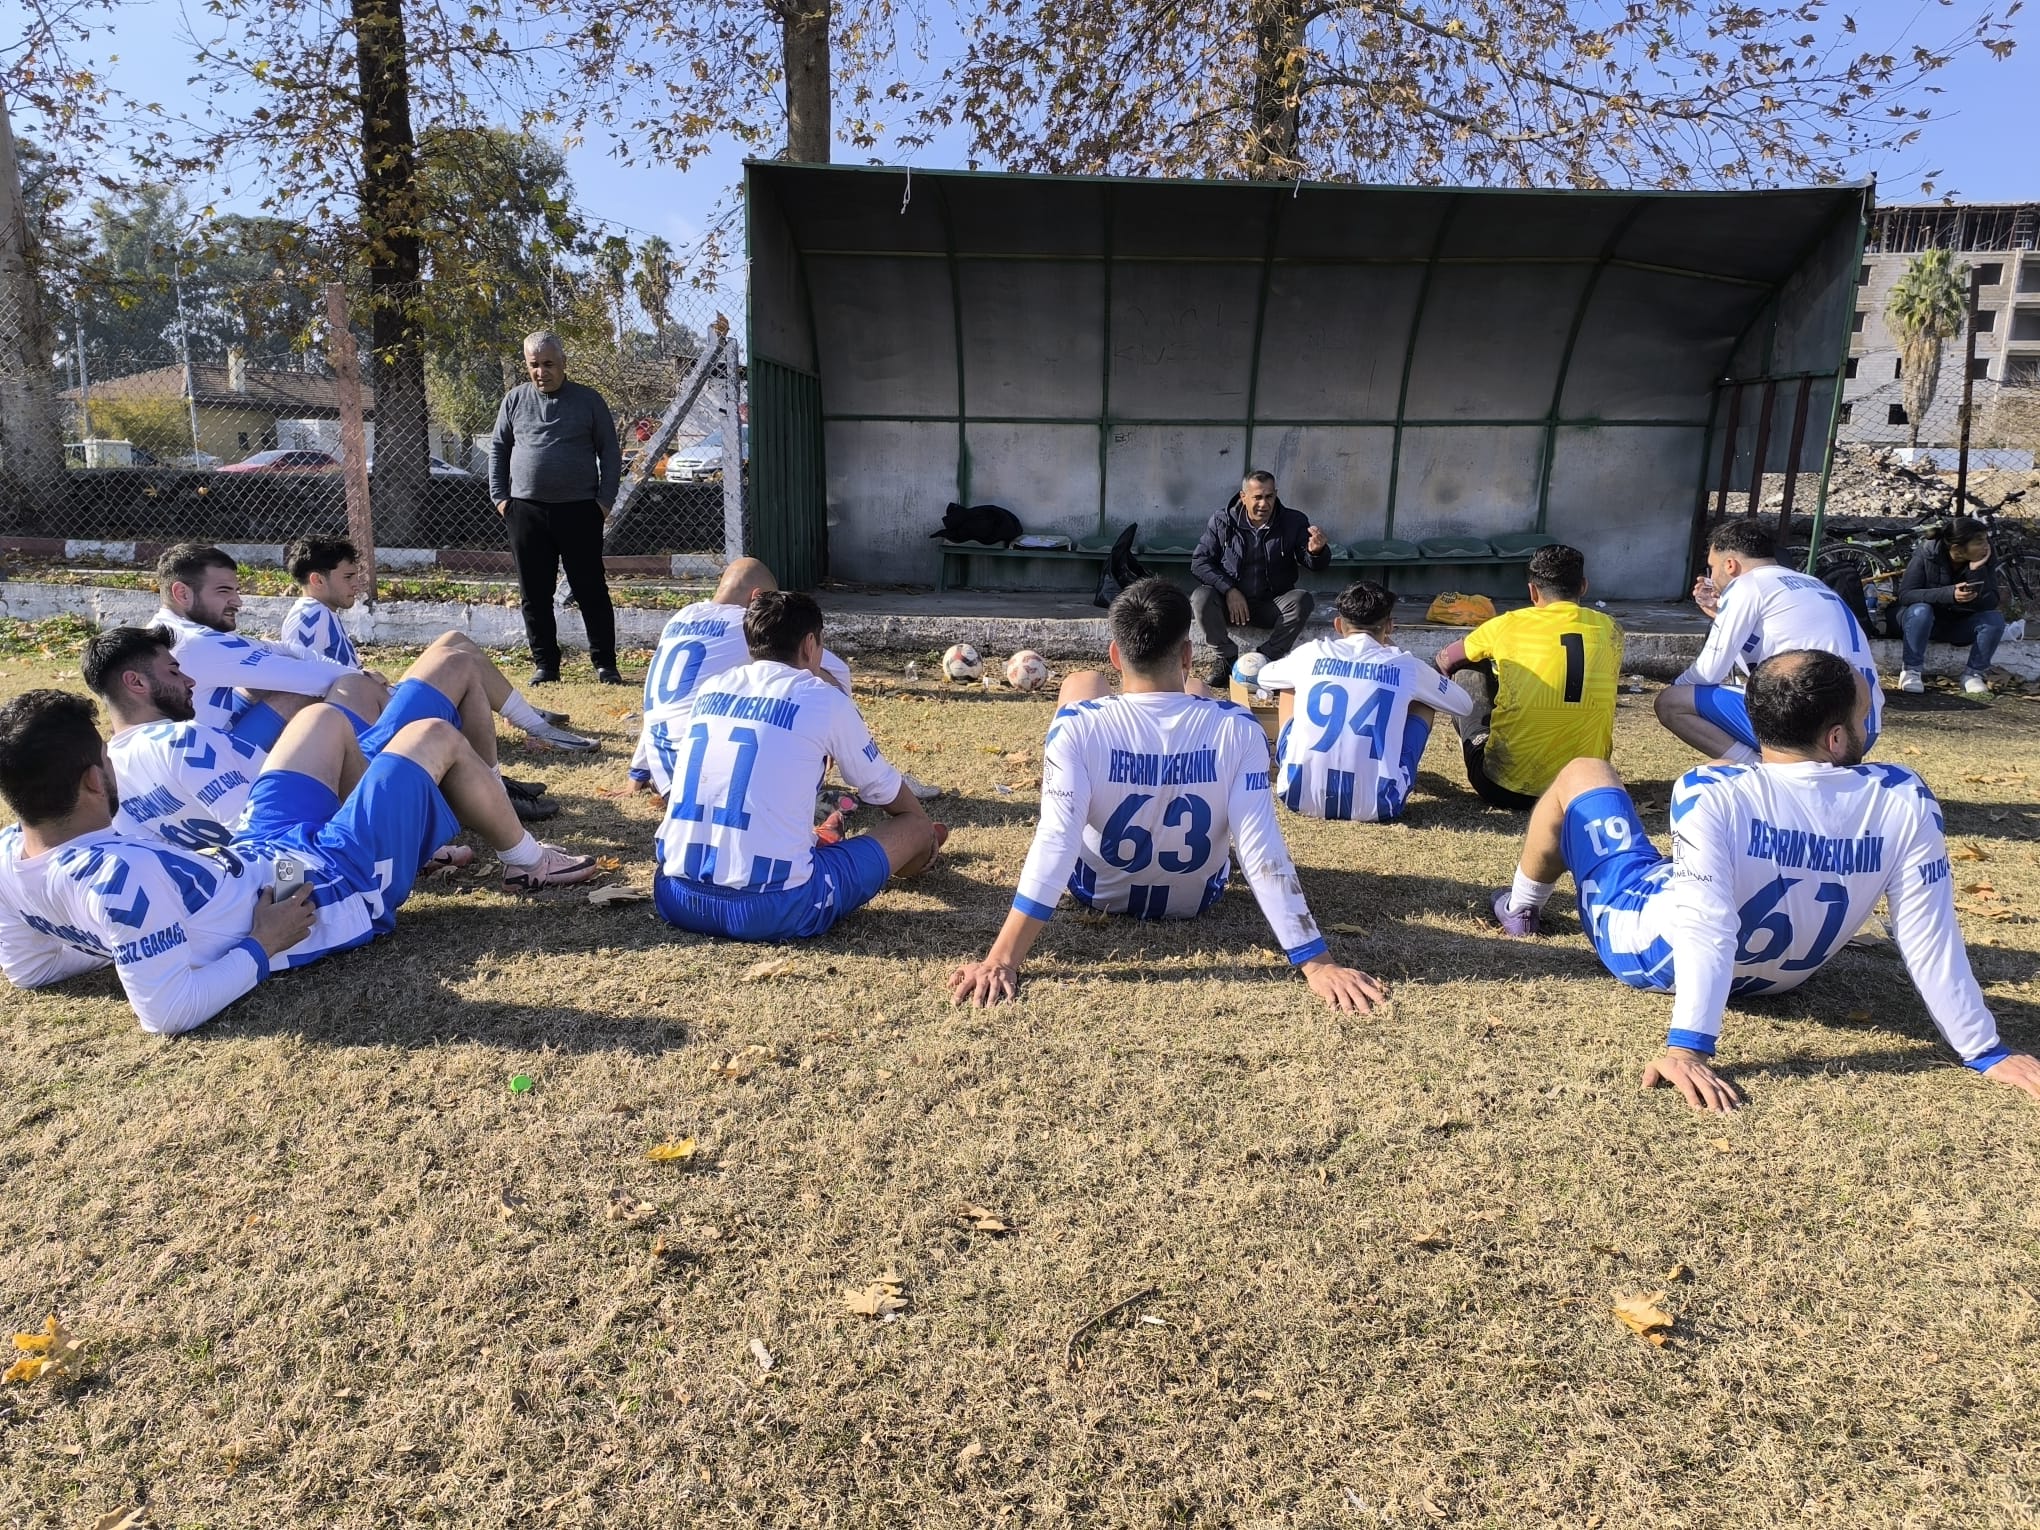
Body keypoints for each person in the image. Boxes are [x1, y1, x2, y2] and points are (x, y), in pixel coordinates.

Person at [1489, 650, 2040, 1113]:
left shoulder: (1711, 789)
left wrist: (1688, 1049)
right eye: (1864, 716)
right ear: (1835, 738)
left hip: (1656, 953)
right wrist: (1983, 1048)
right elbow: (1928, 934)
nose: (1870, 726)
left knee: (1584, 771)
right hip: (1782, 978)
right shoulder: (1904, 795)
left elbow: (1705, 924)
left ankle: (1520, 906)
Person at [0, 689, 597, 1035]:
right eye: (107, 760)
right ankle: (527, 860)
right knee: (432, 734)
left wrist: (135, 941)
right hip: (319, 886)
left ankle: (404, 842)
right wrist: (260, 945)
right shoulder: (118, 879)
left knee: (321, 719)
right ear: (93, 781)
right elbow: (167, 1011)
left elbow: (30, 970)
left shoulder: (9, 857)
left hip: (264, 853)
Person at [946, 578, 1387, 1012]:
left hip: (1097, 891)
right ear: (1188, 654)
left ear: (1116, 654)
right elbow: (1260, 850)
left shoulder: (1076, 727)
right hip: (1196, 899)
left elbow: (1056, 840)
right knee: (1196, 694)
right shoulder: (1240, 728)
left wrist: (1001, 959)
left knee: (1082, 682)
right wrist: (1316, 963)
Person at [82, 623, 565, 848]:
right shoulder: (184, 742)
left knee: (377, 681)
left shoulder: (109, 776)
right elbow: (267, 835)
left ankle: (491, 790)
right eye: (174, 671)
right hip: (342, 801)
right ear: (136, 683)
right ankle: (498, 801)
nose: (189, 681)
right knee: (455, 662)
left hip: (322, 787)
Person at [652, 591, 946, 941]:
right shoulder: (823, 698)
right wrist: (922, 832)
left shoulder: (711, 688)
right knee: (915, 827)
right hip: (772, 909)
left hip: (675, 896)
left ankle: (818, 841)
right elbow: (882, 788)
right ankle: (913, 850)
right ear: (810, 644)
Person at [1655, 517, 1883, 761]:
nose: (1712, 576)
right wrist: (1723, 614)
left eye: (1712, 568)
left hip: (1813, 730)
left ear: (1730, 565)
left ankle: (1760, 769)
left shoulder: (1745, 585)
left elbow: (1708, 672)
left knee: (1671, 702)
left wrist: (1676, 685)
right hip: (1863, 730)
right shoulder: (1812, 583)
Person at [1254, 580, 1474, 821]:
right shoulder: (1406, 666)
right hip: (1379, 804)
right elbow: (1464, 705)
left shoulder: (1310, 653)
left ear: (1338, 624)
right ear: (1389, 626)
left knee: (1288, 684)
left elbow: (1263, 677)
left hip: (1296, 794)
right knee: (1426, 699)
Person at [1434, 544, 1620, 810]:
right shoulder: (1611, 629)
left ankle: (1479, 739)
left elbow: (1445, 660)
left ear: (1532, 591)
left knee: (1468, 668)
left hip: (1504, 789)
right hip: (1585, 789)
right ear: (1583, 587)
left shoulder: (1508, 624)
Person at [150, 542, 387, 749]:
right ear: (182, 593)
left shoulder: (169, 629)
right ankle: (366, 755)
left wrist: (354, 674)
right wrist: (363, 680)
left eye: (236, 591)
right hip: (209, 758)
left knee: (279, 681)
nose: (238, 602)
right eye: (224, 591)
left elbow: (284, 649)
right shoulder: (197, 641)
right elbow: (307, 677)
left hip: (203, 733)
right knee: (316, 693)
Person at [488, 329, 625, 686]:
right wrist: (501, 498)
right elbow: (499, 449)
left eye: (548, 364)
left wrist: (604, 502)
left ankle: (605, 665)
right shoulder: (514, 400)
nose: (541, 372)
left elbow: (610, 452)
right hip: (526, 511)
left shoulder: (588, 400)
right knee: (534, 593)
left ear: (563, 362)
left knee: (590, 590)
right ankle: (546, 665)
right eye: (534, 364)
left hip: (580, 511)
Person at [1189, 470, 1333, 689]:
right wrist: (1229, 590)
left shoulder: (1293, 521)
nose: (1264, 504)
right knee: (1201, 597)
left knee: (1302, 600)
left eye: (1269, 496)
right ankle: (1226, 659)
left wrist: (1317, 552)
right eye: (1257, 497)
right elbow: (1199, 562)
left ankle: (1265, 660)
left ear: (1276, 494)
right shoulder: (1222, 520)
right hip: (1230, 606)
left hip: (1271, 604)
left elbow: (1314, 565)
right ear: (1243, 497)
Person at [1893, 516, 2006, 696]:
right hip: (1919, 622)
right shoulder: (1927, 553)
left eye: (1986, 540)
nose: (1986, 546)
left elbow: (1991, 602)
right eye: (1979, 542)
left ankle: (1973, 674)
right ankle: (1911, 671)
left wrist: (1976, 571)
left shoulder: (1984, 559)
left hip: (1957, 624)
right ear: (1957, 548)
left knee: (1994, 619)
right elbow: (1906, 594)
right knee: (1921, 610)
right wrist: (1949, 594)